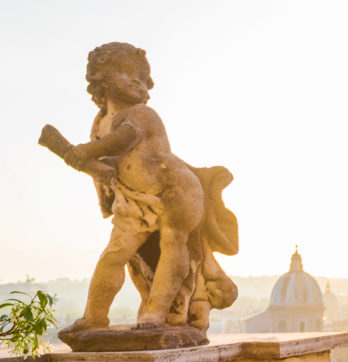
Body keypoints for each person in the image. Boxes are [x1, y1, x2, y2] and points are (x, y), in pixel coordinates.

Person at [57, 42, 237, 332]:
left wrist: (84, 152)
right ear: (101, 79)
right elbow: (108, 162)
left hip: (175, 191)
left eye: (142, 76)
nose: (137, 81)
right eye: (126, 73)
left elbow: (124, 140)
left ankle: (156, 313)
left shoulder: (141, 114)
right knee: (115, 253)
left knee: (172, 244)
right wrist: (97, 171)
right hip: (136, 199)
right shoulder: (100, 123)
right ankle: (94, 317)